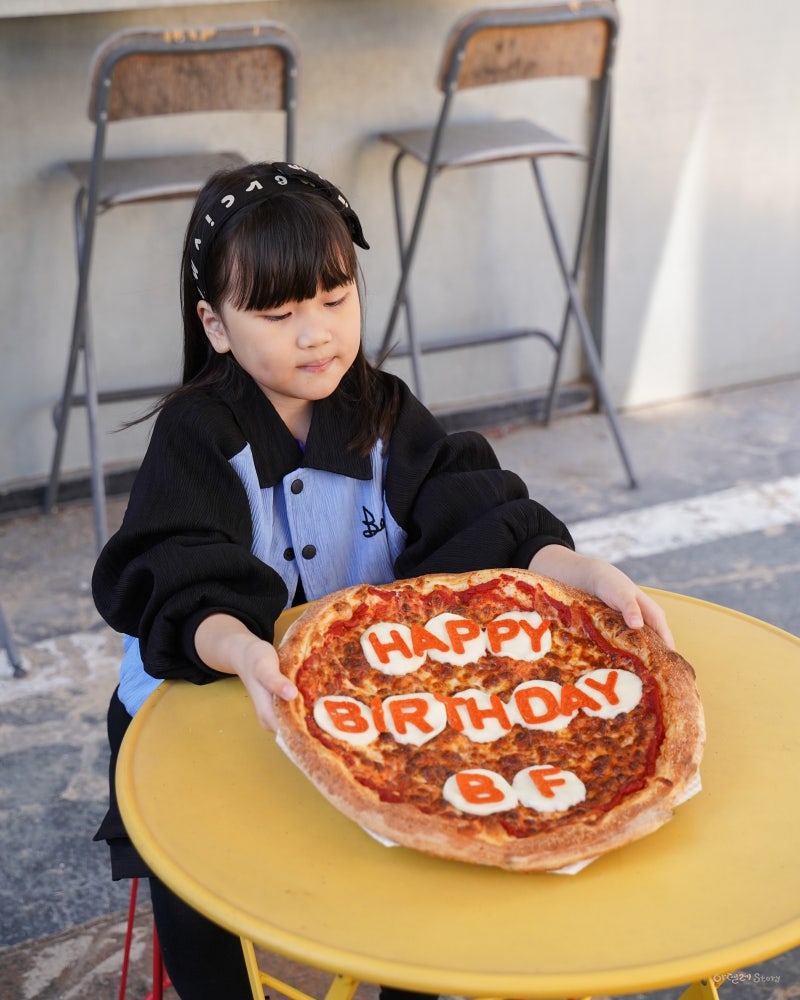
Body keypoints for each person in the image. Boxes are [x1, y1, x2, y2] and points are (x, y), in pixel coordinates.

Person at [92, 161, 672, 1000]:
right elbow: (184, 583)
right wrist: (249, 653)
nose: (315, 334)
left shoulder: (384, 412)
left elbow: (475, 519)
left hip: (359, 704)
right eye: (279, 313)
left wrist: (579, 571)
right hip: (205, 688)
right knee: (203, 906)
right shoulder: (198, 433)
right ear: (215, 326)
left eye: (335, 299)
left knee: (421, 894)